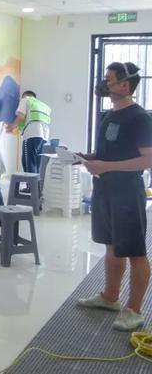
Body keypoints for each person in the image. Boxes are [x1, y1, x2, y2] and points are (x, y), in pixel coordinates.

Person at [77, 61, 152, 331]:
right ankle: (110, 297)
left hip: (127, 193)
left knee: (135, 252)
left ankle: (134, 310)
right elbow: (109, 152)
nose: (104, 83)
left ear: (125, 85)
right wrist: (88, 158)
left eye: (109, 79)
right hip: (105, 190)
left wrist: (106, 166)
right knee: (111, 246)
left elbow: (147, 160)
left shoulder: (140, 118)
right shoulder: (109, 115)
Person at [6, 90, 51, 174]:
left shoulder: (25, 99)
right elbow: (32, 119)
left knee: (28, 163)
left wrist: (11, 127)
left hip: (32, 134)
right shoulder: (44, 106)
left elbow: (21, 117)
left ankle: (30, 183)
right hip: (44, 136)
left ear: (25, 96)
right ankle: (36, 183)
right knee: (36, 164)